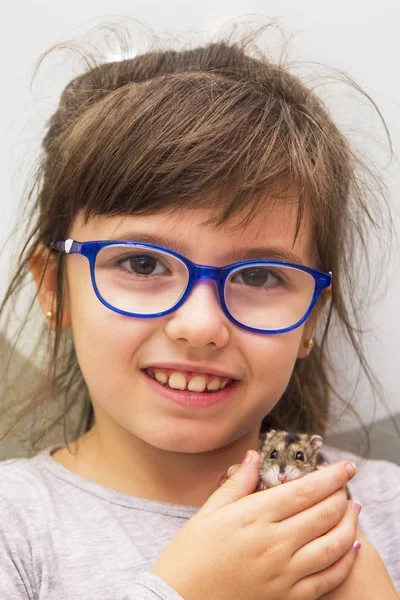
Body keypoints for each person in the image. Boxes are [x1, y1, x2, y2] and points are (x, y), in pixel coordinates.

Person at [0, 25, 399, 600]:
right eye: (142, 264)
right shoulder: (16, 529)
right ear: (53, 289)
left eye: (259, 276)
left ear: (311, 317)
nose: (201, 326)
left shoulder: (385, 513)